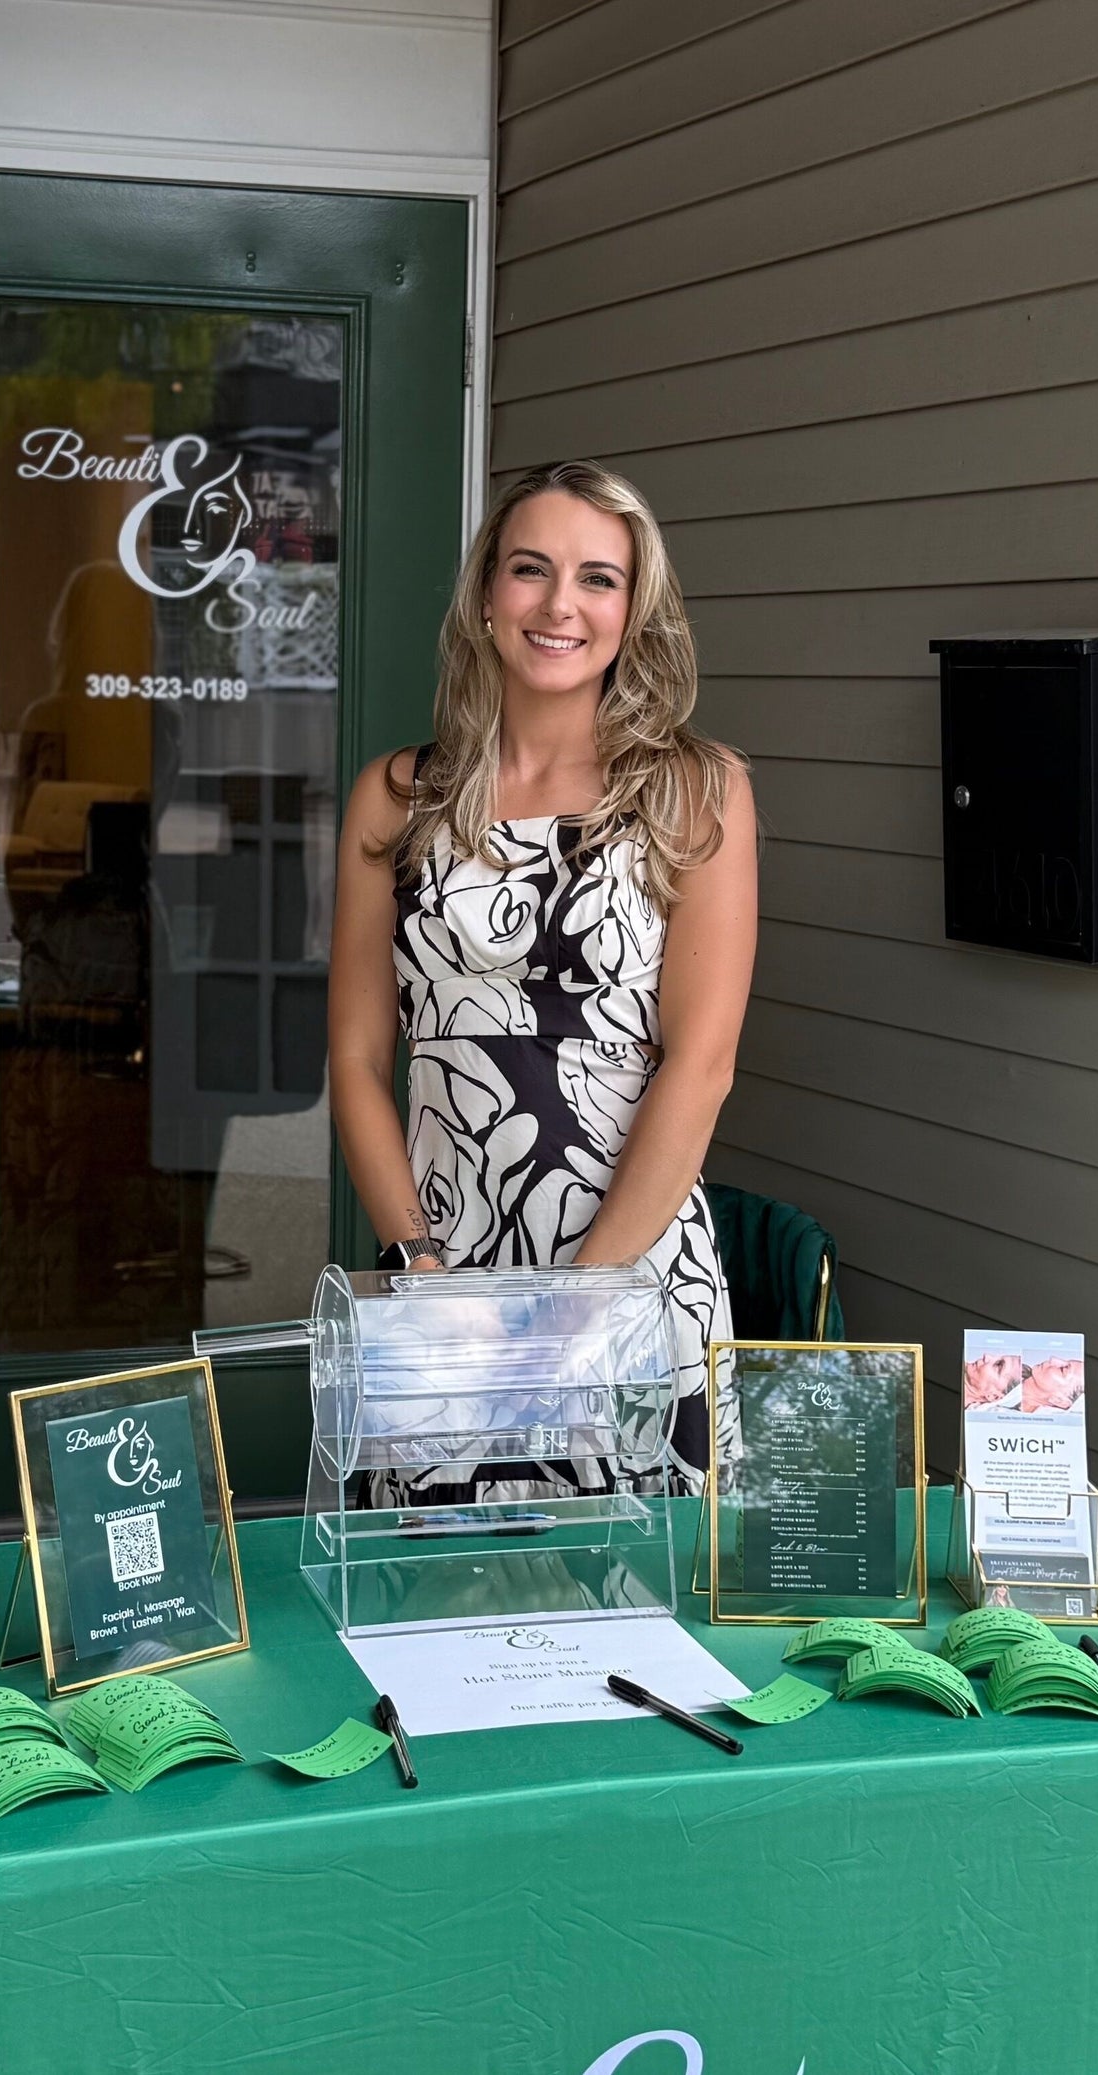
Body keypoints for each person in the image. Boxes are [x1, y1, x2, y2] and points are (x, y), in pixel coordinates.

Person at [325, 461, 757, 1487]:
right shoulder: (396, 798)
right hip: (448, 1288)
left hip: (636, 1277)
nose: (562, 604)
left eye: (599, 579)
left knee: (656, 1615)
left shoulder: (696, 791)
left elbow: (701, 1066)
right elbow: (353, 1055)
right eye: (532, 569)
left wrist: (582, 1299)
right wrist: (417, 1264)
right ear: (485, 597)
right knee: (440, 1601)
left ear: (632, 610)